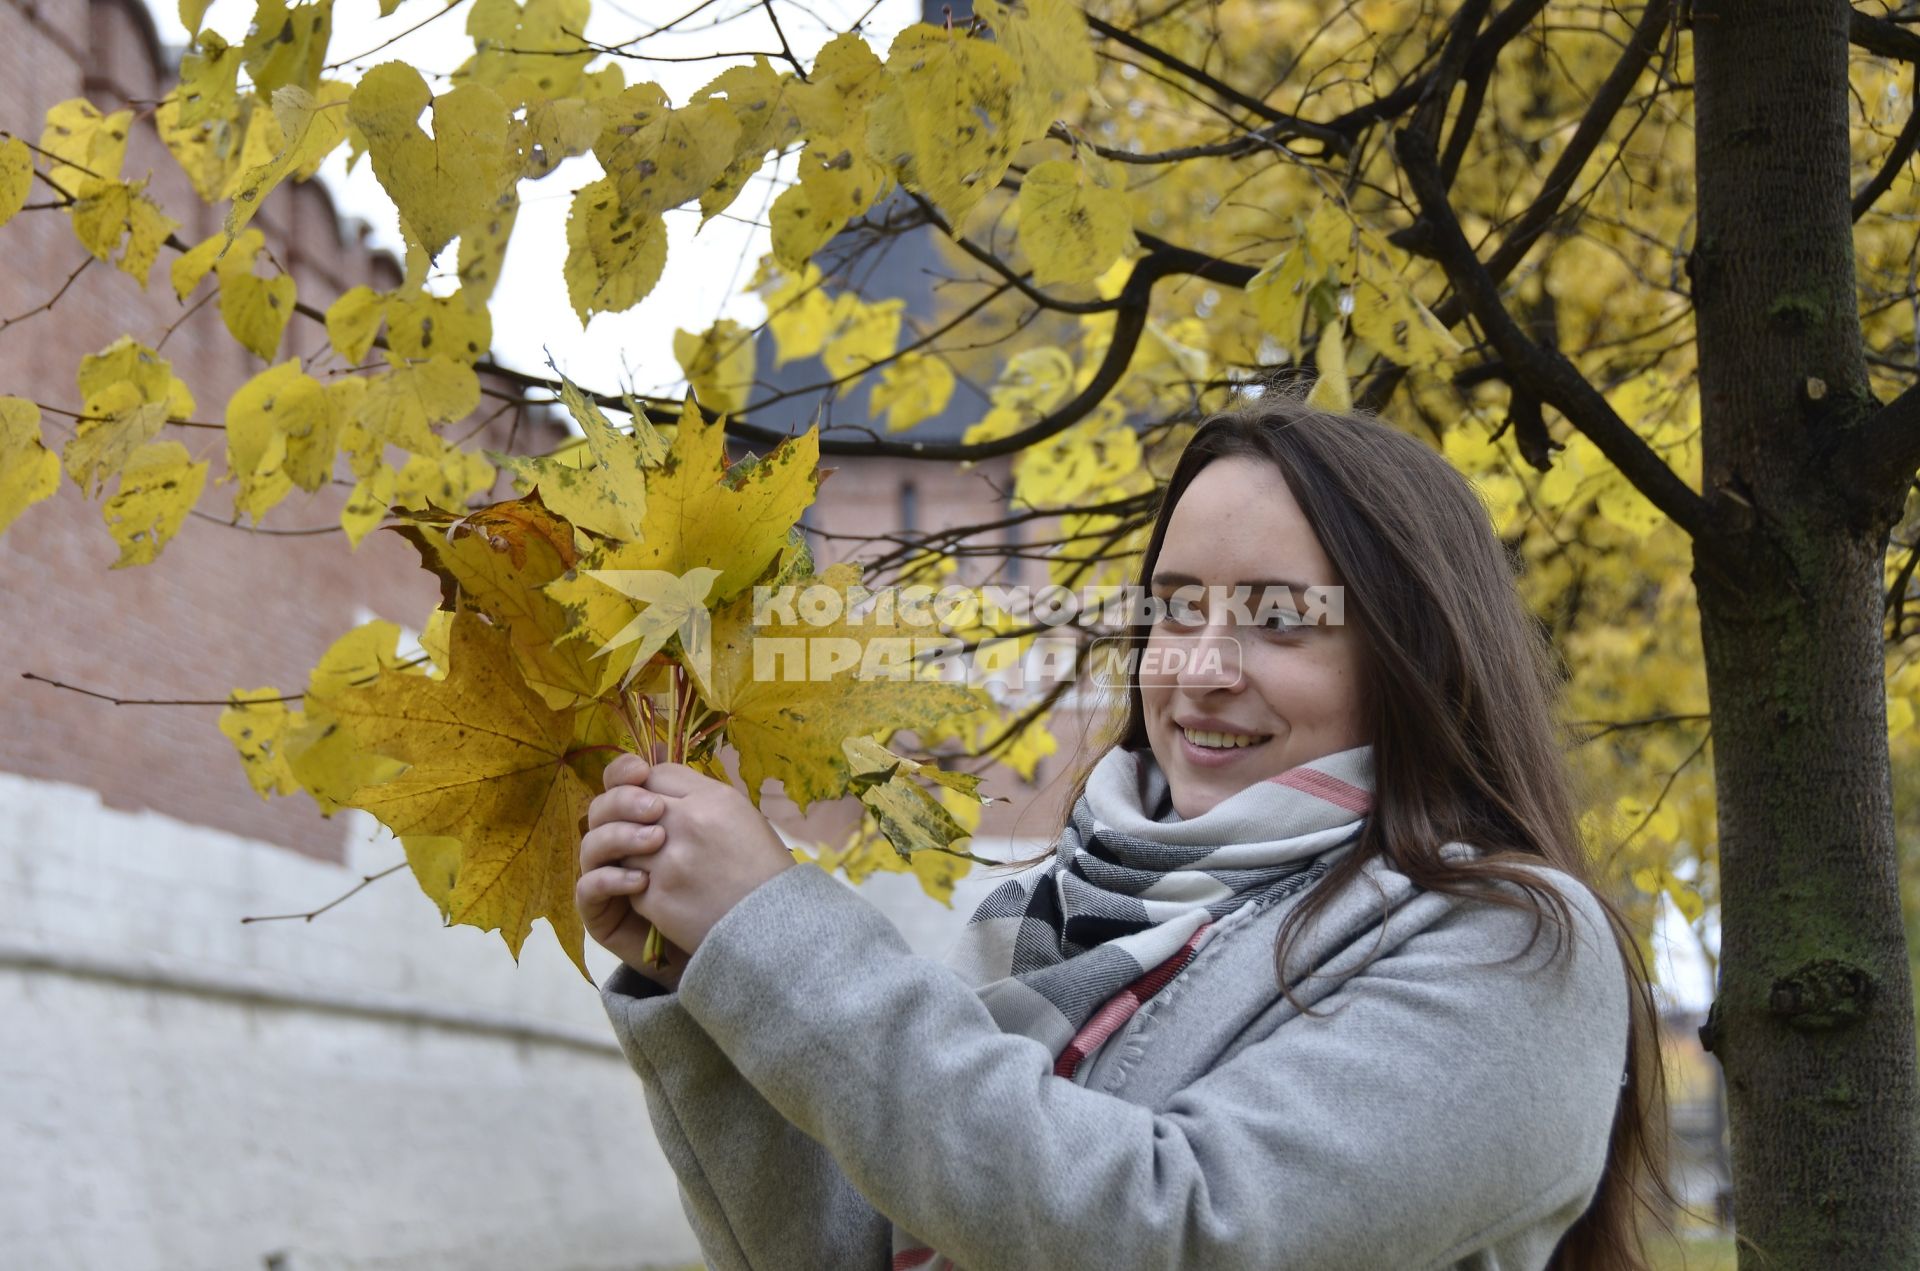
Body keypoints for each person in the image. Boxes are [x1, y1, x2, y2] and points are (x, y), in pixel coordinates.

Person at [575, 393, 1671, 1270]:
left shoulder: (1511, 941)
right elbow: (854, 1244)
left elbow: (1179, 1231)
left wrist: (778, 935)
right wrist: (706, 975)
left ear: (1415, 658)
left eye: (1280, 621)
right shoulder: (1038, 918)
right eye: (1177, 605)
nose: (1200, 670)